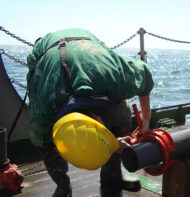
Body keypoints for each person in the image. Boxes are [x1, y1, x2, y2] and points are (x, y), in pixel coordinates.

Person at [26, 28, 154, 196]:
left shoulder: (115, 78)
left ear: (98, 118)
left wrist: (145, 118)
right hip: (46, 51)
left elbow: (143, 73)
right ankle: (63, 186)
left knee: (121, 117)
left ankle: (113, 176)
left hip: (89, 46)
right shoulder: (42, 107)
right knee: (45, 142)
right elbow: (41, 141)